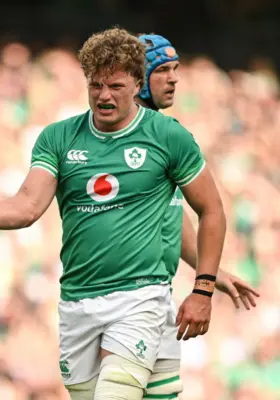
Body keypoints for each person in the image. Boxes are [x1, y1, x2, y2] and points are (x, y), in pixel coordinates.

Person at [0, 27, 227, 400]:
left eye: (116, 86)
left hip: (139, 297)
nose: (104, 96)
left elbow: (211, 209)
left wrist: (204, 287)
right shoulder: (58, 137)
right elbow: (27, 204)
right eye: (96, 85)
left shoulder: (168, 136)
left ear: (137, 83)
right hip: (77, 301)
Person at [135, 34, 260, 400]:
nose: (174, 79)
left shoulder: (166, 134)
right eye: (162, 70)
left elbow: (172, 215)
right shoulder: (117, 138)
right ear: (138, 78)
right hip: (117, 302)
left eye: (176, 69)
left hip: (157, 299)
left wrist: (209, 275)